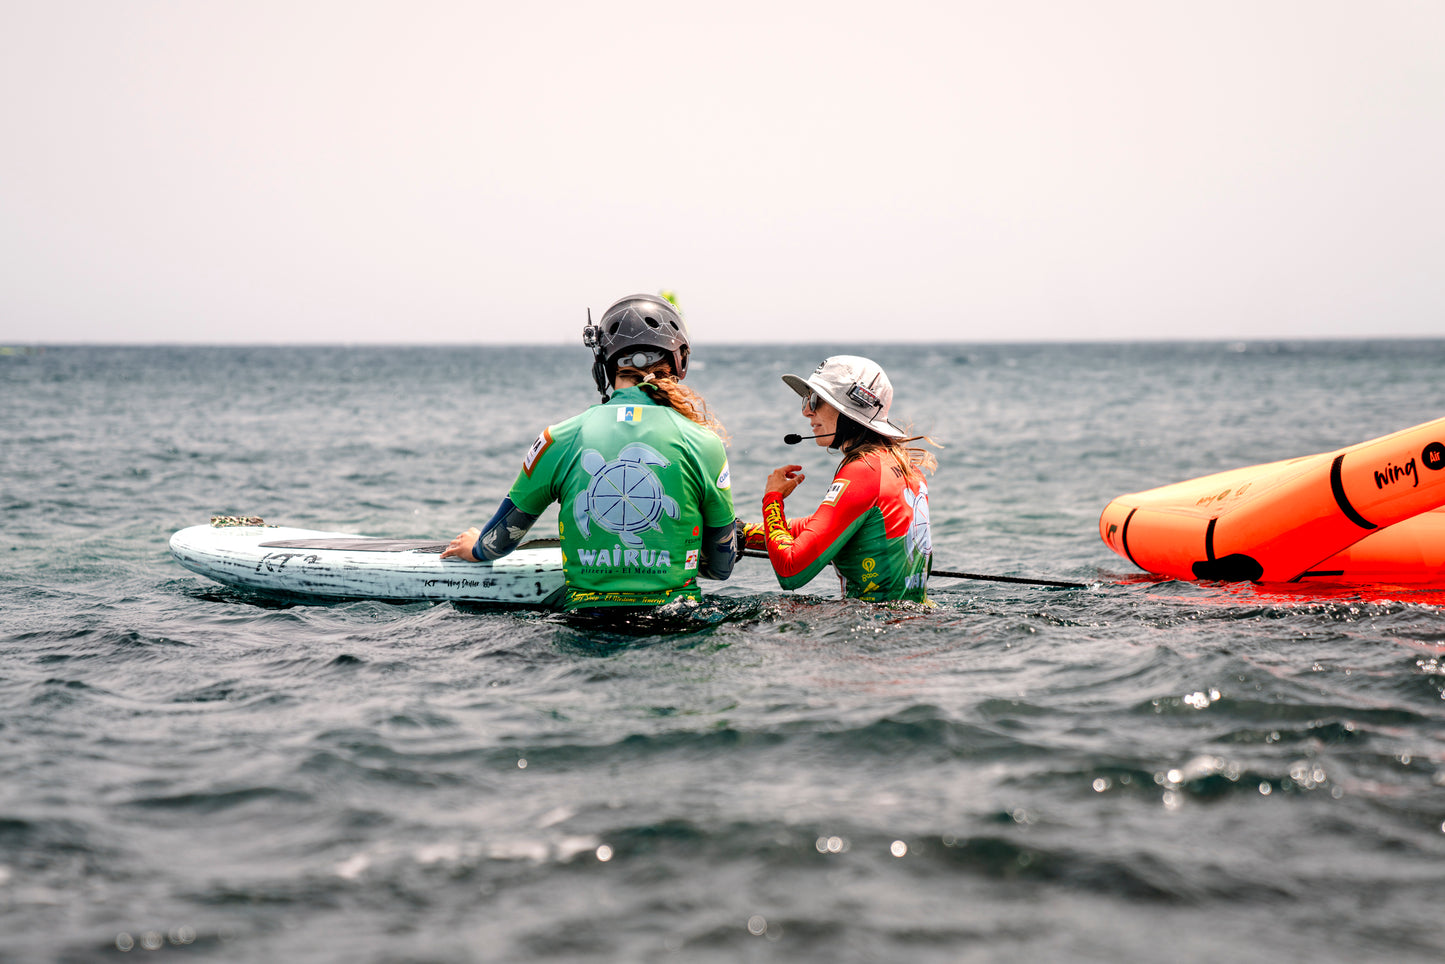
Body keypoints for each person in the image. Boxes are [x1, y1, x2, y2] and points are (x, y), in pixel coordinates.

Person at [441, 294, 737, 612]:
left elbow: (498, 541)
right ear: (679, 361)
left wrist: (477, 548)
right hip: (677, 623)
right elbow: (721, 568)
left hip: (586, 623)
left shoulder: (557, 439)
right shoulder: (704, 443)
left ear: (603, 366)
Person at [750, 355, 936, 603]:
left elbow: (790, 571)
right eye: (806, 399)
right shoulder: (902, 466)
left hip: (873, 624)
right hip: (912, 617)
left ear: (849, 409)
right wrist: (742, 532)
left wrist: (772, 499)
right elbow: (824, 525)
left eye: (815, 400)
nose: (806, 411)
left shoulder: (863, 471)